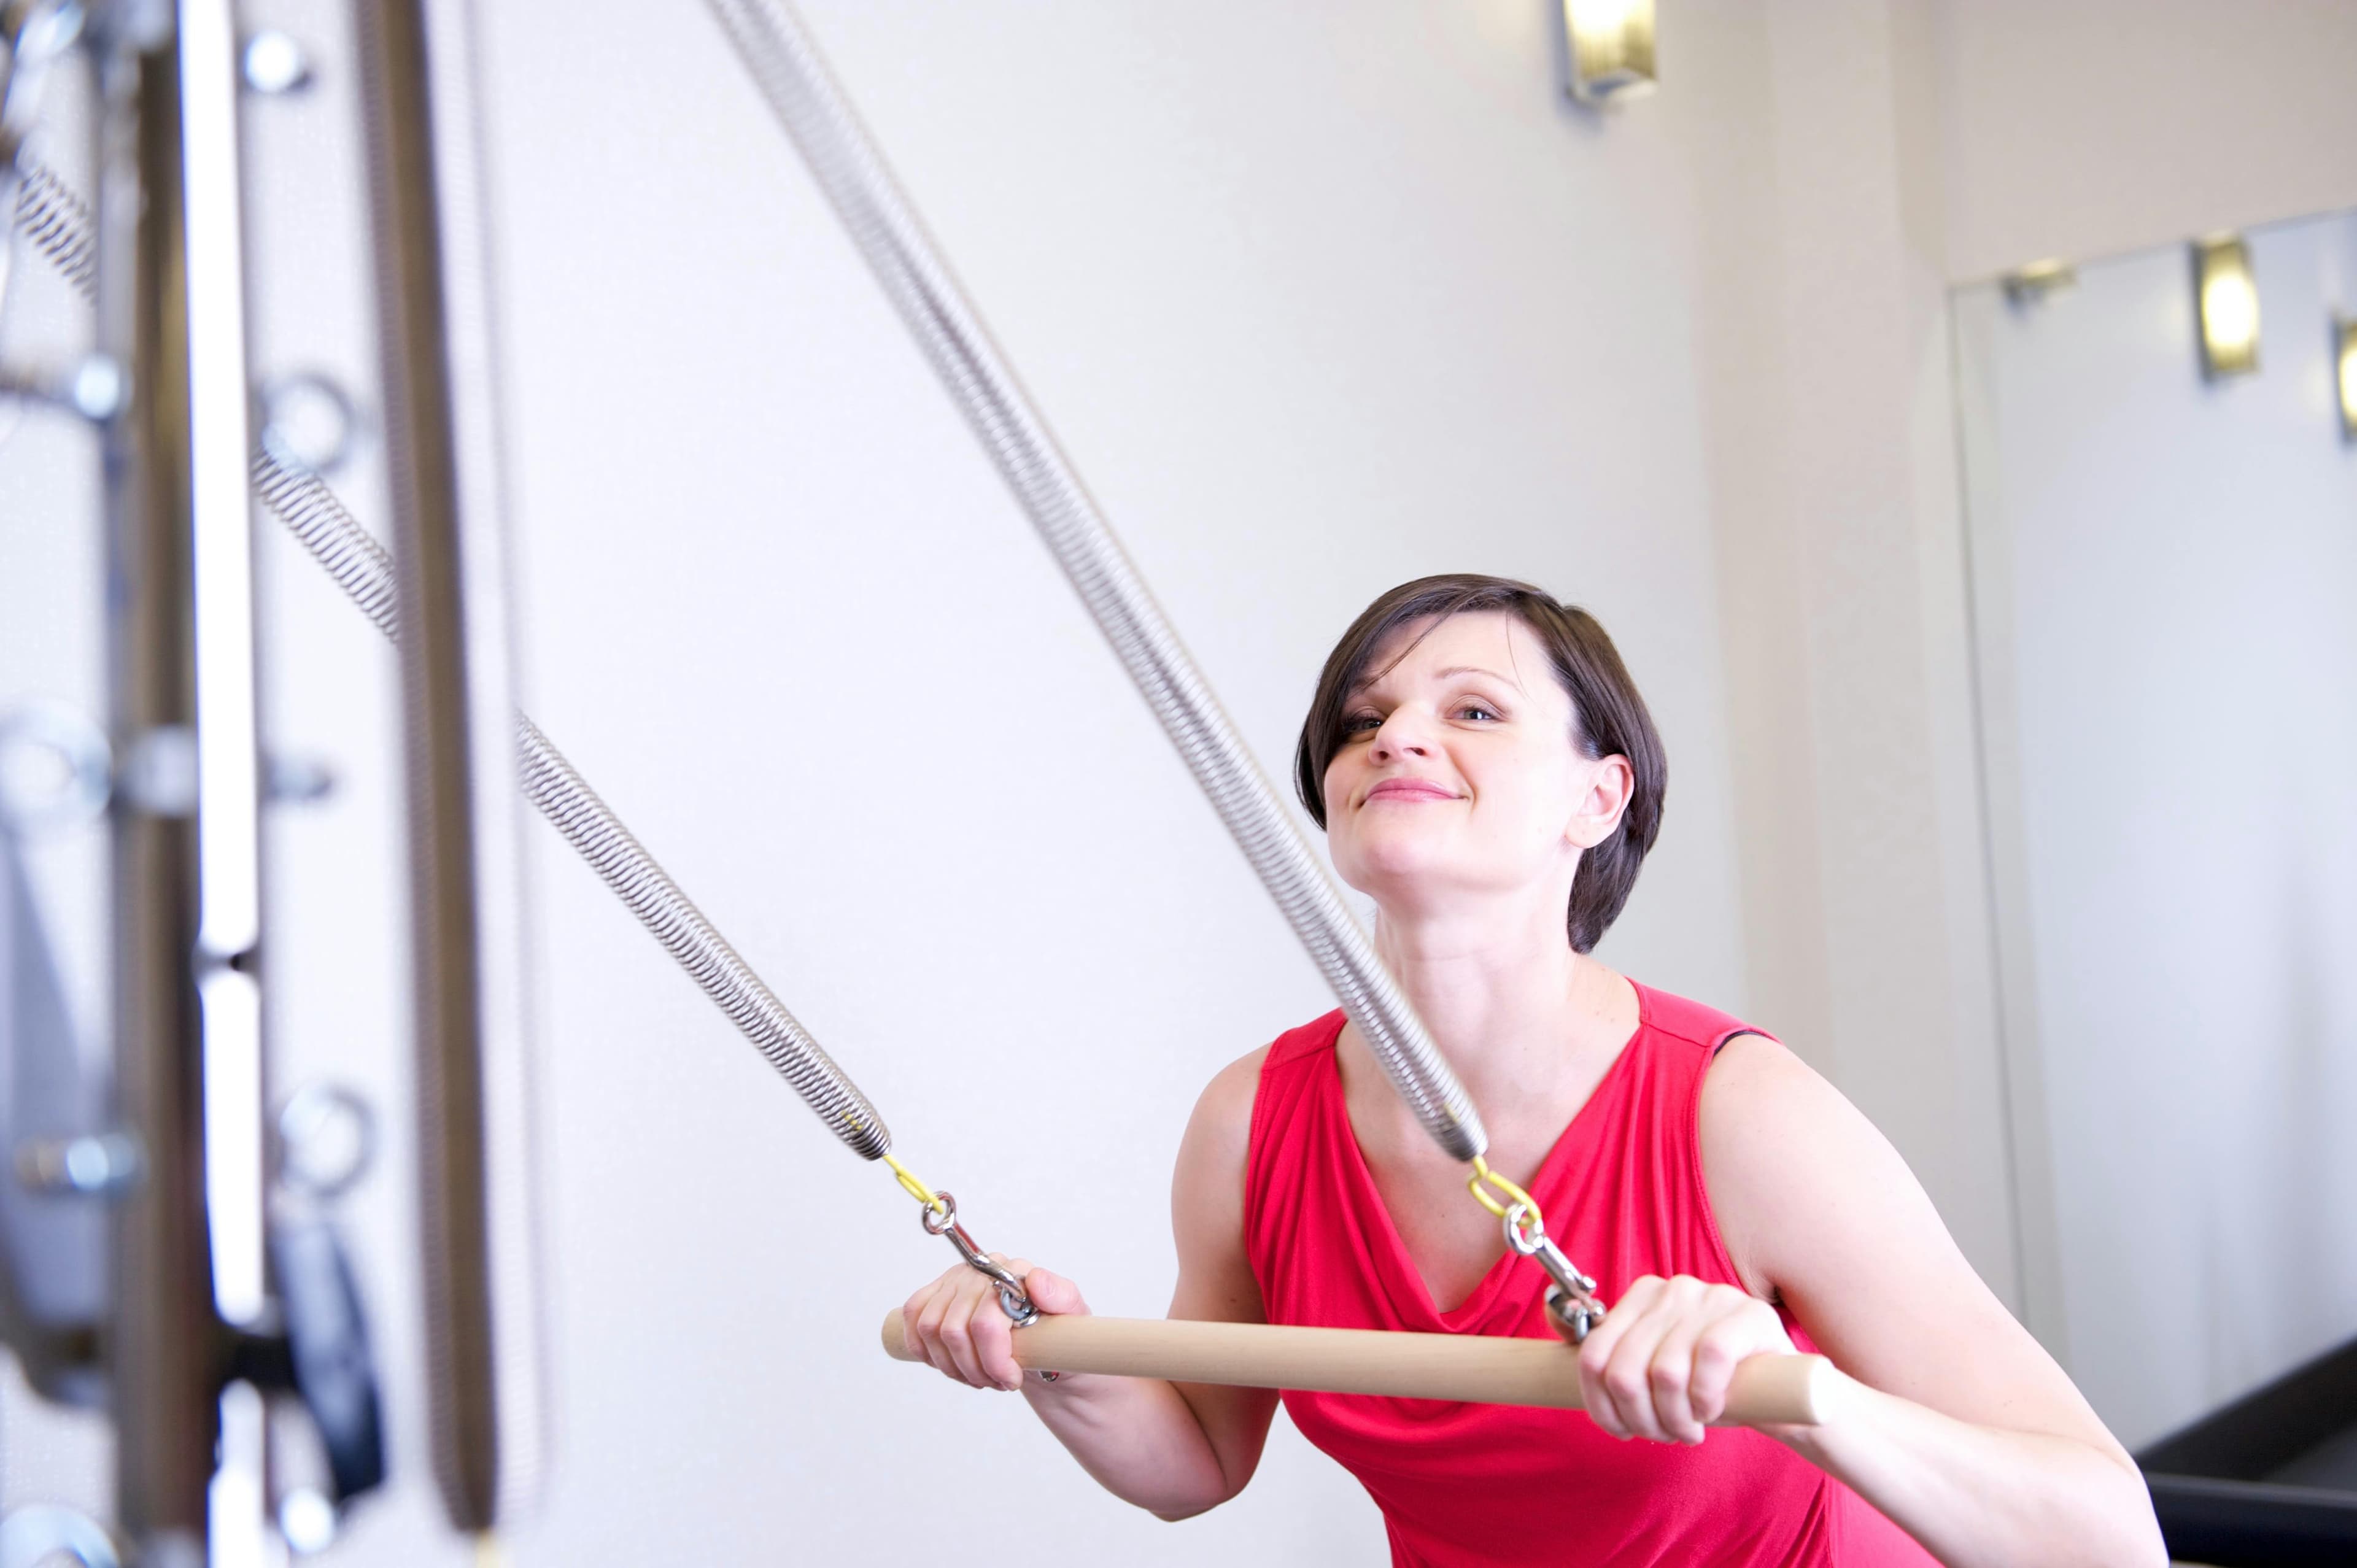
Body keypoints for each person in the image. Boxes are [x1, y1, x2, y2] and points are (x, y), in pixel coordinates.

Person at [899, 574, 2165, 1566]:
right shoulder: (1251, 1124)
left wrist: (1793, 1394)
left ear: (1598, 800)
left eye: (1474, 711)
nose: (1395, 737)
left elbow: (2109, 1537)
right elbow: (1198, 1459)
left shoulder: (1743, 1119)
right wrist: (1049, 1354)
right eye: (1364, 719)